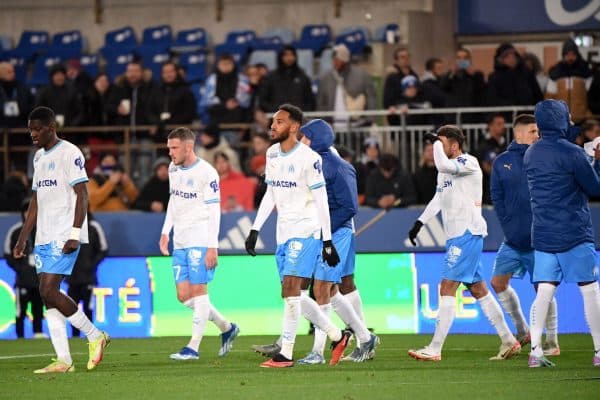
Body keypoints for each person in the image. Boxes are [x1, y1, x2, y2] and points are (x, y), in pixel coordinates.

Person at [244, 104, 351, 368]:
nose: (272, 126)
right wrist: (255, 228)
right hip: (284, 232)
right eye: (273, 121)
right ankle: (337, 336)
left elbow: (321, 200)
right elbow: (271, 193)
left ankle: (286, 354)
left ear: (294, 127)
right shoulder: (271, 154)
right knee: (293, 295)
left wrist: (327, 240)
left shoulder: (309, 159)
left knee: (292, 288)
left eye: (279, 122)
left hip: (307, 230)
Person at [407, 125, 520, 361]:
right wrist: (420, 223)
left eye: (441, 142)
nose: (436, 146)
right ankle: (509, 340)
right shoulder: (445, 171)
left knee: (446, 287)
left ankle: (435, 348)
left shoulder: (469, 162)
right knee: (478, 289)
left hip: (467, 232)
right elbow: (438, 198)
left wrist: (435, 144)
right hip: (457, 235)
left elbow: (443, 164)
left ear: (454, 145)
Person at [13, 106, 109, 373]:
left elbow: (83, 195)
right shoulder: (39, 158)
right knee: (48, 297)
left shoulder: (70, 153)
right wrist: (23, 237)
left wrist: (75, 233)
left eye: (37, 129)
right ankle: (64, 360)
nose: (32, 134)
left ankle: (94, 335)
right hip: (43, 233)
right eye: (30, 129)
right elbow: (36, 200)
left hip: (64, 233)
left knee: (48, 291)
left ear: (51, 127)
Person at [523, 99, 600, 368]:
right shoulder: (573, 153)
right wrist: (596, 162)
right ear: (559, 120)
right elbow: (594, 187)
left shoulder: (531, 153)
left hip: (543, 233)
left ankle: (535, 352)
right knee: (590, 290)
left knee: (544, 290)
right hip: (574, 232)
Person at [297, 119, 378, 364]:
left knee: (322, 287)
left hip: (337, 232)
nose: (301, 141)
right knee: (330, 291)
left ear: (316, 139)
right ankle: (365, 337)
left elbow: (349, 207)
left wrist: (325, 231)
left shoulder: (337, 166)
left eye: (305, 137)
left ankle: (318, 352)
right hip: (319, 231)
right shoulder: (312, 163)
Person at [159, 127, 239, 361]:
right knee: (183, 296)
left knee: (199, 291)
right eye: (169, 148)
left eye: (174, 148)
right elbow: (174, 200)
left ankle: (193, 347)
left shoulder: (207, 173)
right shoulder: (173, 168)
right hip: (181, 240)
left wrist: (212, 246)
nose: (170, 153)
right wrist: (166, 231)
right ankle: (227, 327)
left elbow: (215, 211)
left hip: (200, 238)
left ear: (188, 147)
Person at [490, 114, 560, 356]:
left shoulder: (545, 158)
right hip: (512, 239)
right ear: (518, 133)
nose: (537, 135)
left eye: (538, 131)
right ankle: (522, 329)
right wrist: (508, 225)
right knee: (498, 283)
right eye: (532, 131)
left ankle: (551, 341)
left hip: (539, 239)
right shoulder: (502, 162)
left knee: (543, 288)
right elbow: (496, 198)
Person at [4, 199, 45, 338]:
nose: (29, 214)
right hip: (23, 280)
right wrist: (20, 268)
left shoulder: (44, 230)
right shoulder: (16, 231)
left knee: (38, 310)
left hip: (39, 280)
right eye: (27, 211)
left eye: (32, 210)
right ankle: (19, 337)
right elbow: (7, 253)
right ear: (23, 213)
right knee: (20, 311)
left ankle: (38, 335)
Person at [67, 212, 108, 337]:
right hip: (72, 277)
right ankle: (74, 336)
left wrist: (91, 264)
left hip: (87, 277)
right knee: (72, 309)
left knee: (88, 308)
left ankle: (91, 336)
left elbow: (103, 249)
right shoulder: (66, 225)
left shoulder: (93, 226)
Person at [316, 44, 377, 129]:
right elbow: (321, 102)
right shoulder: (326, 78)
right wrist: (323, 121)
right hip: (331, 126)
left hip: (357, 124)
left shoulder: (362, 75)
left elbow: (371, 97)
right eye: (334, 59)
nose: (335, 62)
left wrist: (370, 120)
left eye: (338, 59)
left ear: (345, 60)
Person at [546, 39, 593, 123]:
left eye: (573, 54)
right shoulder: (556, 72)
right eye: (567, 54)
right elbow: (550, 96)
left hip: (582, 118)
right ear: (563, 55)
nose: (570, 57)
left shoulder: (585, 71)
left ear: (577, 55)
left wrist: (589, 112)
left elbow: (591, 94)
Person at [258, 45, 315, 113]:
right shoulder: (270, 77)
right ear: (280, 57)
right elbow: (263, 101)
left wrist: (299, 112)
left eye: (291, 55)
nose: (289, 58)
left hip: (298, 119)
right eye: (286, 55)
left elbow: (310, 100)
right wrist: (276, 112)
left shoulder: (303, 77)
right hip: (275, 118)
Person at [149, 62, 197, 127]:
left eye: (171, 71)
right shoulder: (156, 91)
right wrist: (157, 122)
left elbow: (189, 112)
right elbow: (150, 110)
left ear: (176, 72)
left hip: (179, 129)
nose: (168, 74)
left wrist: (171, 122)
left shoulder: (185, 90)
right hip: (159, 130)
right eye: (165, 72)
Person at [35, 65, 83, 129]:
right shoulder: (44, 92)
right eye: (57, 75)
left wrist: (72, 124)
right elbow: (39, 111)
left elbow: (79, 112)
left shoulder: (72, 91)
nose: (59, 77)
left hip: (70, 130)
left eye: (62, 75)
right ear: (52, 77)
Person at [477, 113, 508, 204]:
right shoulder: (483, 146)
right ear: (490, 126)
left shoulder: (506, 146)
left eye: (503, 124)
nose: (503, 127)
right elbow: (486, 167)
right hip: (488, 192)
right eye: (499, 124)